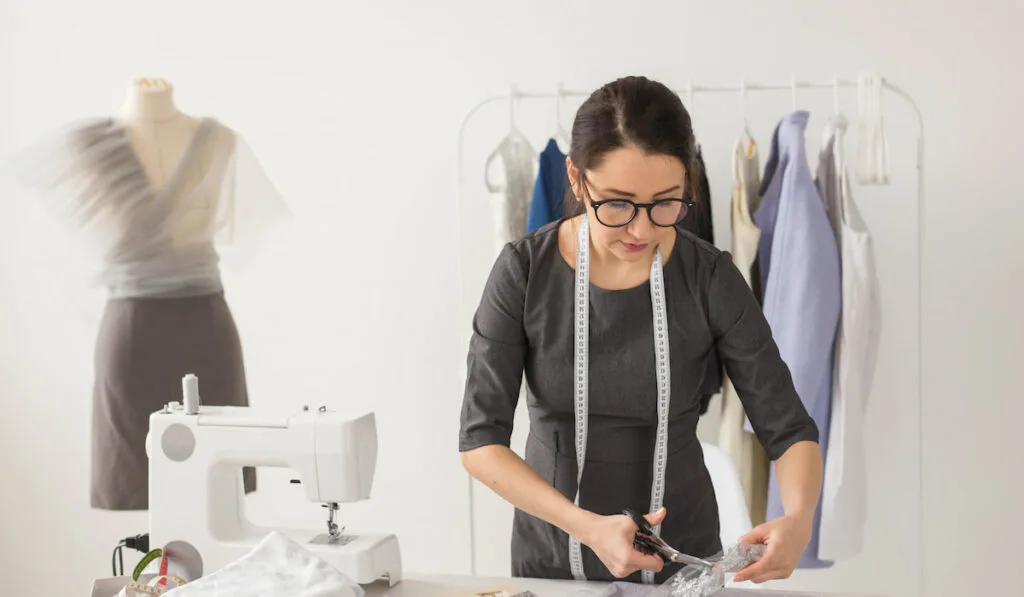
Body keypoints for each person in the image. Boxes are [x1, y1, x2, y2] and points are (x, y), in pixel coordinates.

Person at [458, 76, 823, 585]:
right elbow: (479, 441)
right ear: (577, 178)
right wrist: (587, 528)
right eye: (618, 204)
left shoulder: (710, 277)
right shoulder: (523, 272)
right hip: (553, 561)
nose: (642, 230)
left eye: (665, 203)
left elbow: (788, 428)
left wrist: (799, 518)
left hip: (683, 566)